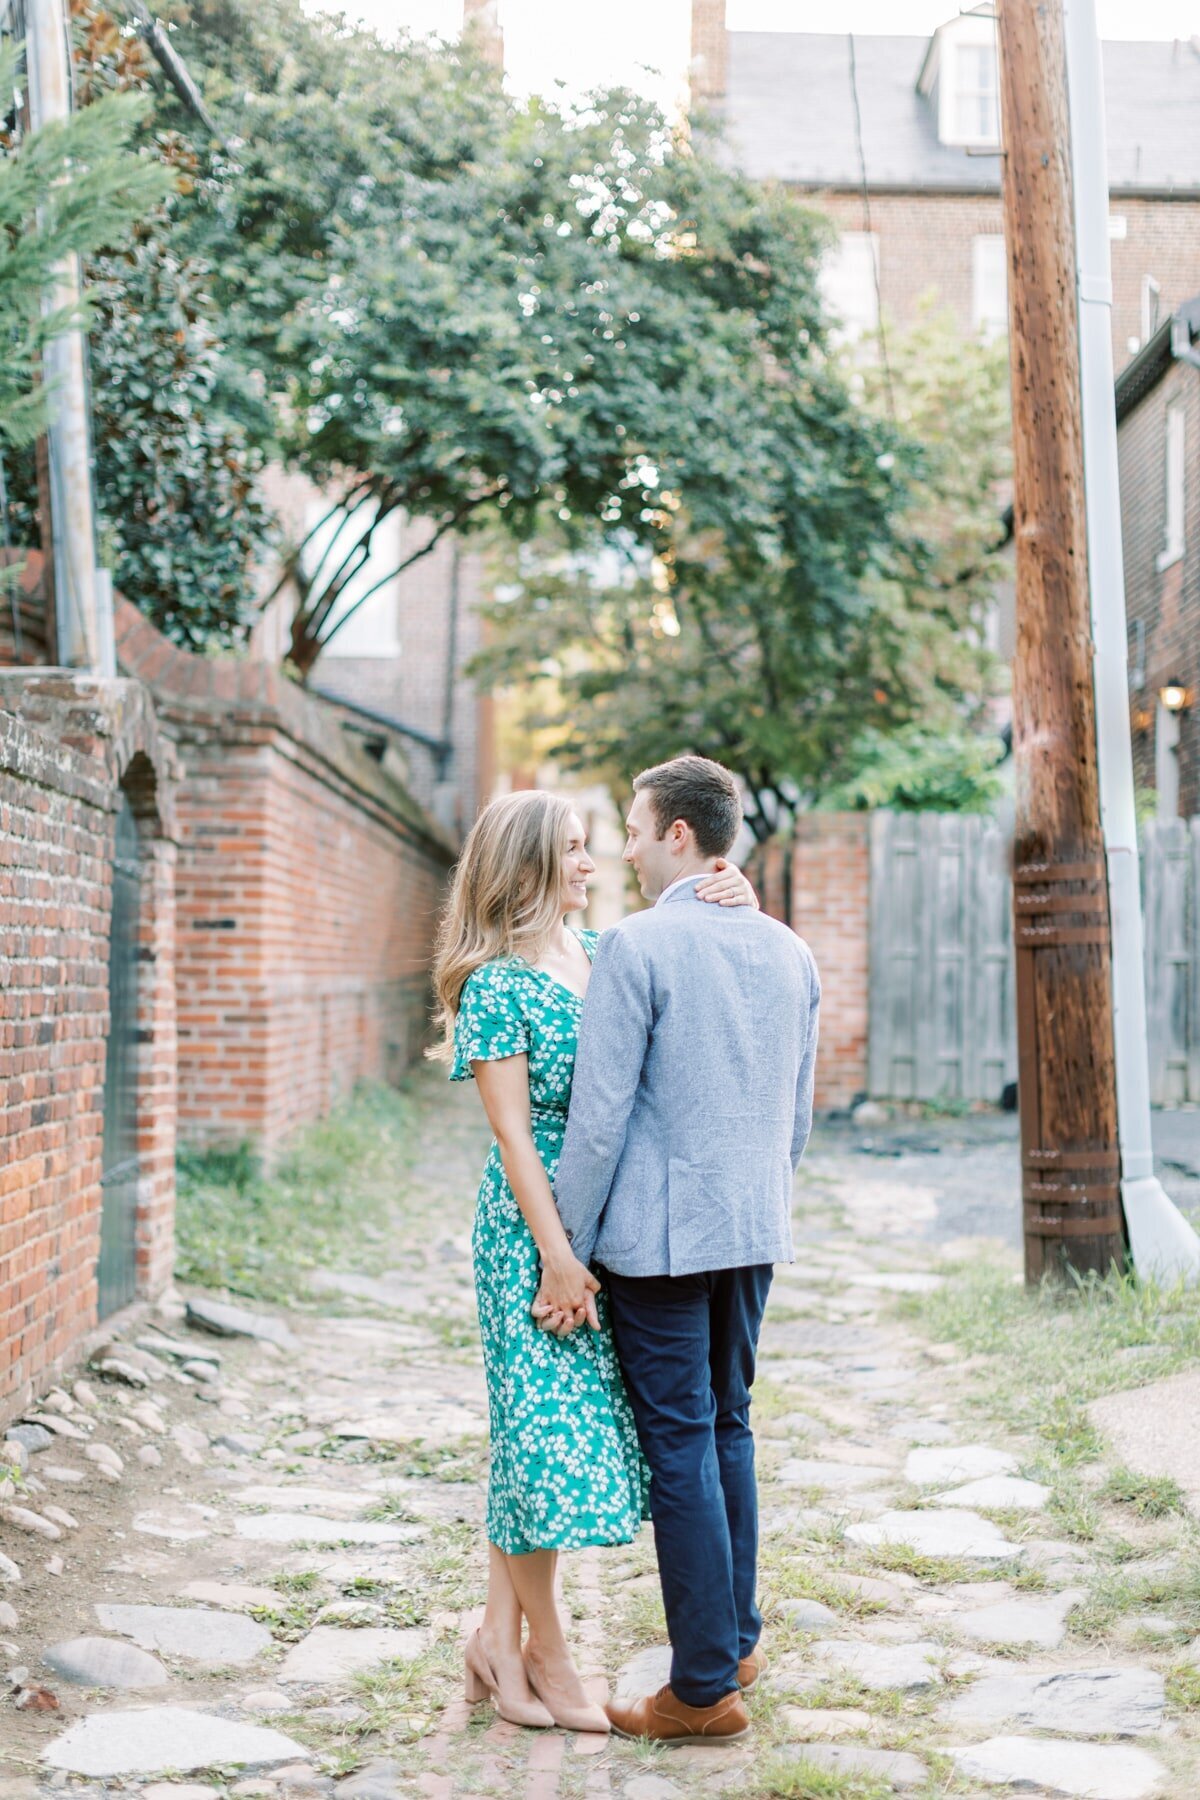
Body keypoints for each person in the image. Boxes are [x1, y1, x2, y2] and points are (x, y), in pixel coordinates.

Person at [429, 788, 759, 1733]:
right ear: (527, 865)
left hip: (607, 1231)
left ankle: (497, 1641)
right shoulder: (496, 981)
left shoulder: (608, 953)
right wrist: (557, 1259)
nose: (592, 863)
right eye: (573, 850)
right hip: (533, 1231)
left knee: (535, 1439)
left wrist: (727, 885)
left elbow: (686, 963)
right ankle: (553, 1658)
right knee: (540, 1439)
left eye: (590, 846)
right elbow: (512, 1136)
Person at [550, 755, 820, 1745]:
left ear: (677, 835)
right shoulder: (791, 950)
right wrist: (757, 1192)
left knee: (680, 1440)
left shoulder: (635, 945)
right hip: (753, 1227)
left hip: (661, 1240)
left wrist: (565, 1253)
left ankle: (703, 1688)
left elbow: (599, 1121)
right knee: (728, 1426)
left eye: (631, 826)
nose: (622, 845)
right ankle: (734, 1638)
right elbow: (796, 1120)